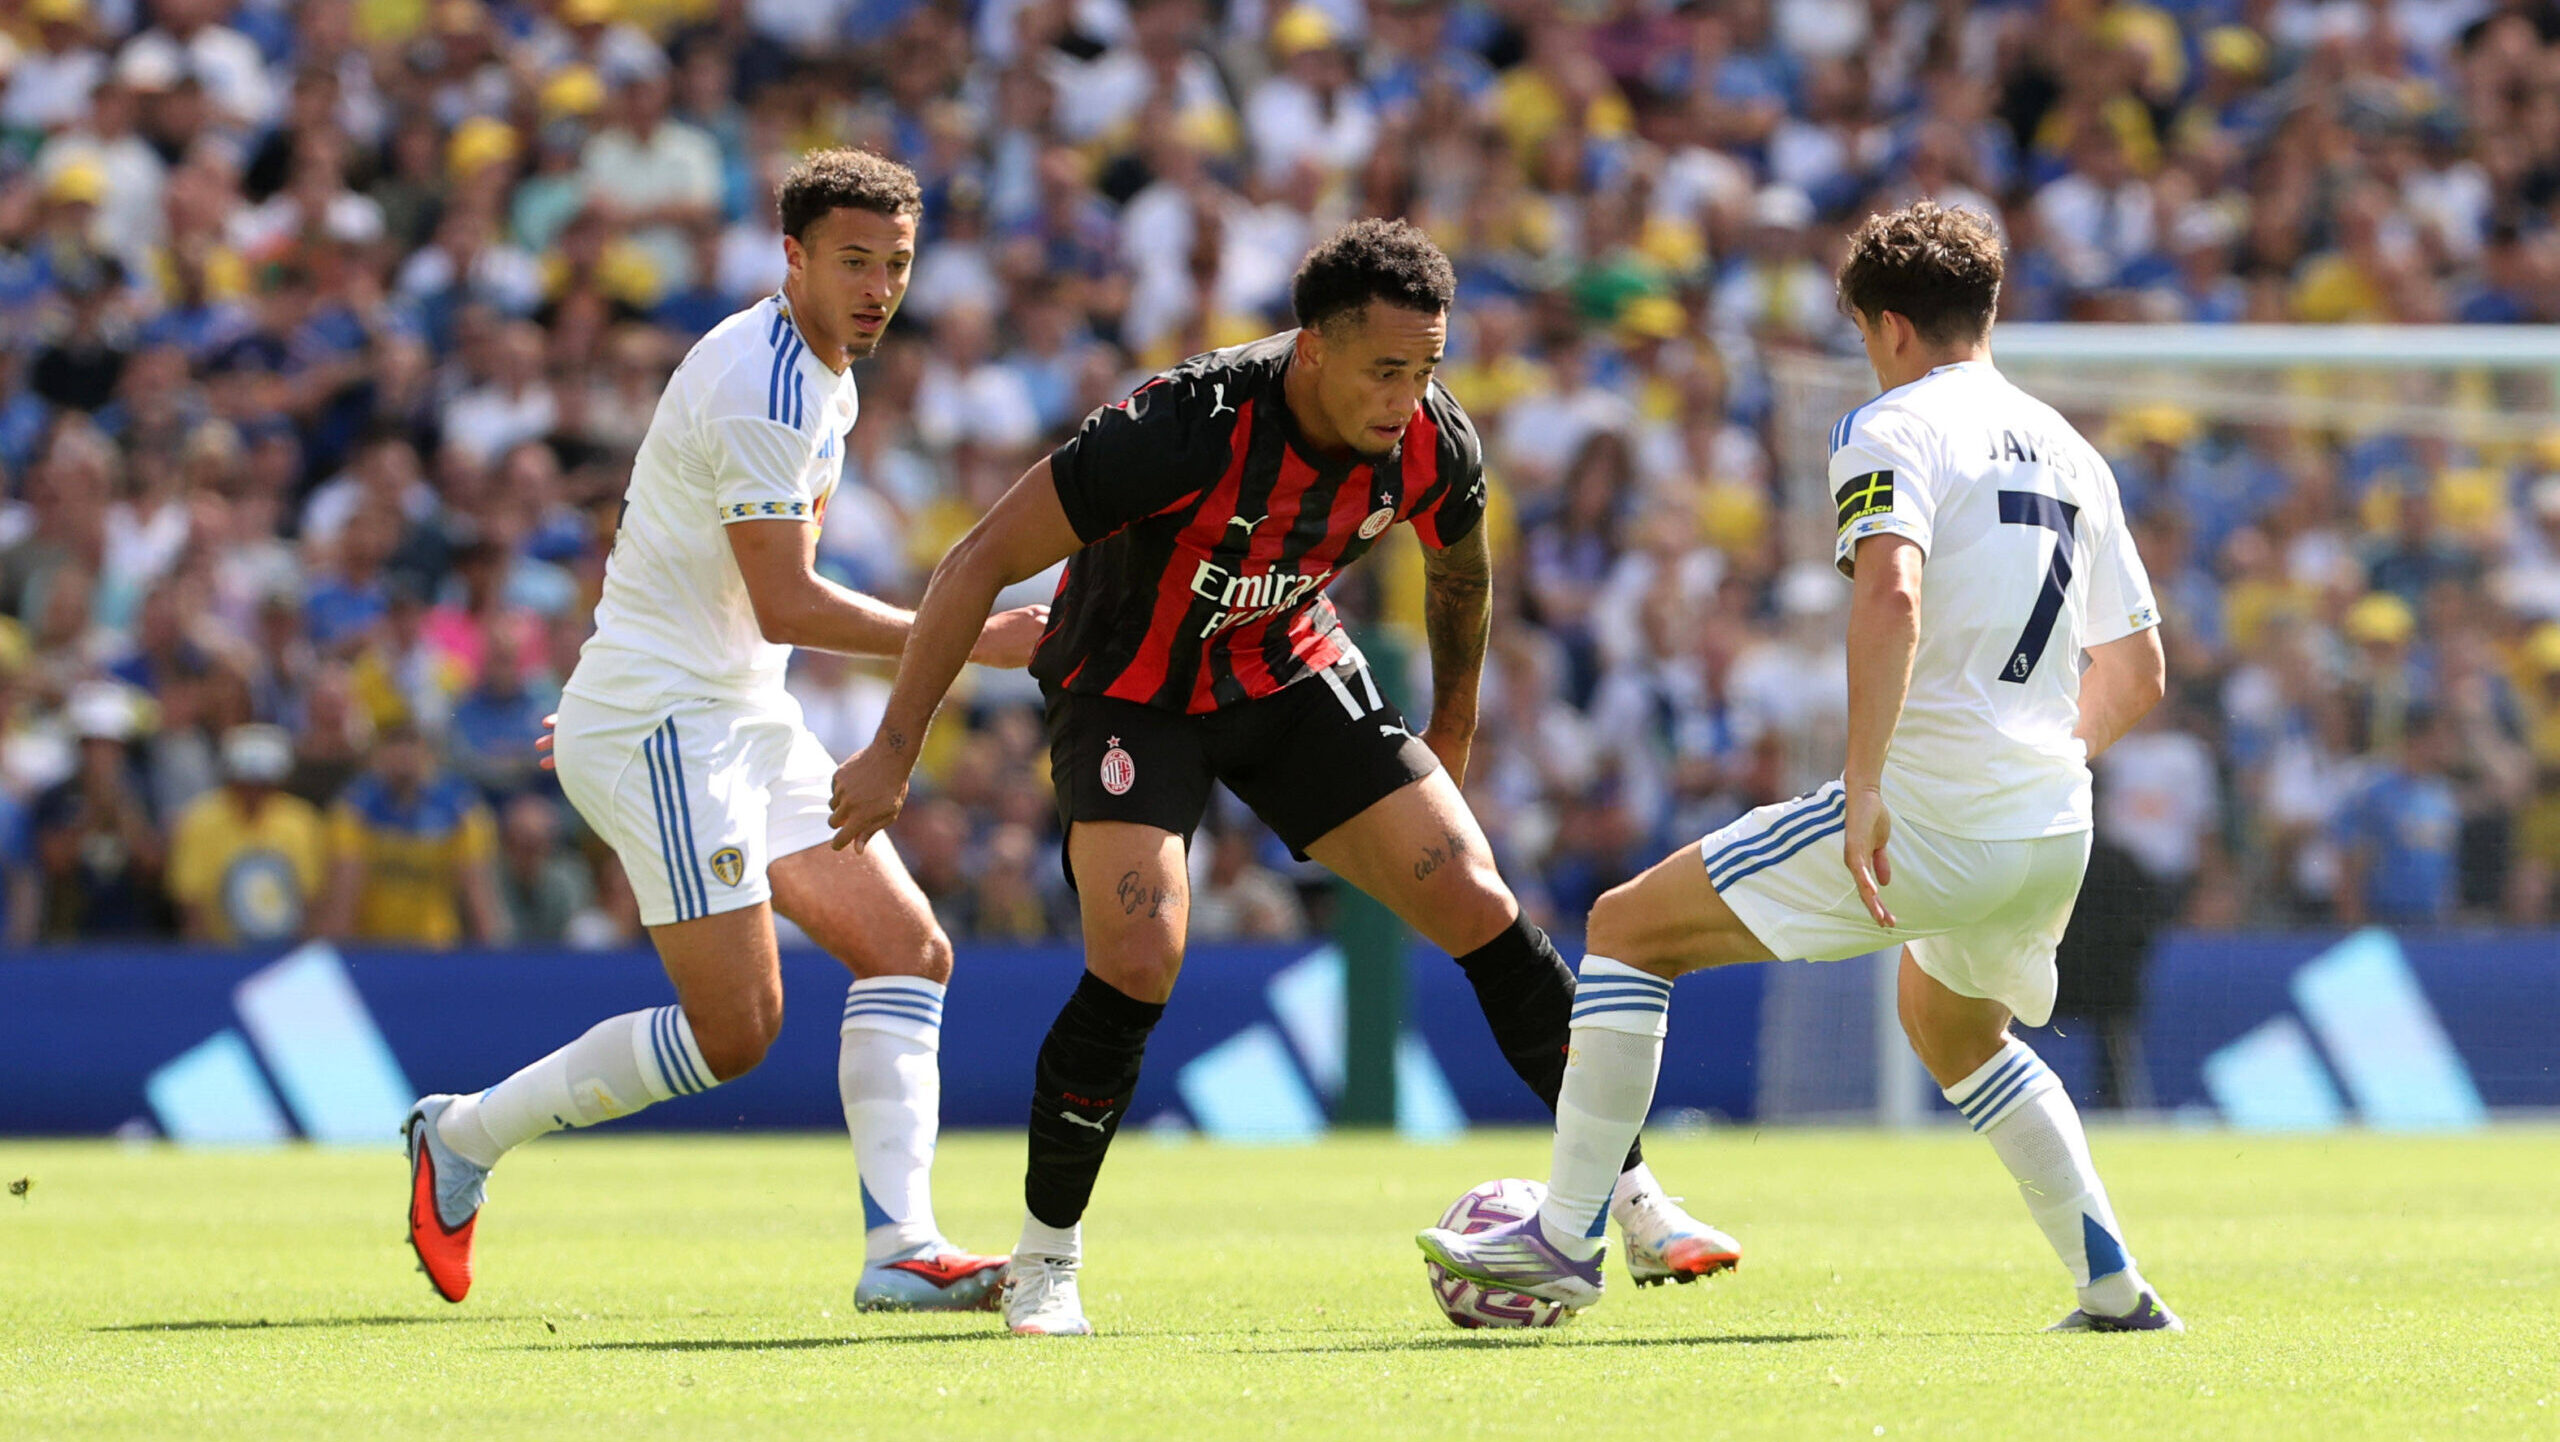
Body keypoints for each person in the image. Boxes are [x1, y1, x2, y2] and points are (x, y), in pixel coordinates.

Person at [826, 218, 1738, 1338]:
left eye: (1427, 369)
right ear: (1312, 347)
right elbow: (976, 561)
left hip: (1284, 670)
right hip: (1128, 687)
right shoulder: (1183, 423)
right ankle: (1044, 1260)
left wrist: (1448, 736)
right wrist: (893, 748)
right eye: (1384, 370)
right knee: (1141, 948)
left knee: (1478, 898)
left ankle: (1631, 1200)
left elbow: (1459, 580)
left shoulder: (1434, 442)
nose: (1408, 396)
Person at [1419, 202, 2184, 1334]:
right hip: (2048, 824)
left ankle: (1567, 1232)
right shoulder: (2073, 449)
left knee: (1629, 927)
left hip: (1931, 810)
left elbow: (1893, 591)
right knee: (1952, 1026)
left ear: (1886, 327)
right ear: (1988, 309)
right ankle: (2112, 1284)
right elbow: (2140, 670)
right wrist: (2032, 764)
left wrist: (1868, 784)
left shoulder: (1890, 423)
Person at [402, 149, 1047, 1315]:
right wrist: (970, 639)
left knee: (910, 950)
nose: (877, 287)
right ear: (790, 257)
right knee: (738, 1030)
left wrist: (617, 681)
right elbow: (787, 600)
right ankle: (460, 1135)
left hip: (719, 710)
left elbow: (692, 555)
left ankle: (902, 1246)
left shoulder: (820, 370)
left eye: (895, 264)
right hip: (671, 720)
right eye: (853, 261)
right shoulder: (771, 383)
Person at [319, 718, 507, 948]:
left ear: (429, 752)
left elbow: (478, 896)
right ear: (376, 754)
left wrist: (494, 962)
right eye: (393, 742)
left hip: (436, 948)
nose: (402, 752)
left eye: (411, 742)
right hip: (371, 950)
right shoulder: (354, 809)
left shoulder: (460, 809)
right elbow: (343, 896)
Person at [166, 723, 328, 945]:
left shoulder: (301, 822)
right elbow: (190, 903)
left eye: (263, 783)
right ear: (231, 779)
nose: (254, 792)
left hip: (286, 954)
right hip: (220, 952)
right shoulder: (200, 821)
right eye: (245, 781)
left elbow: (312, 900)